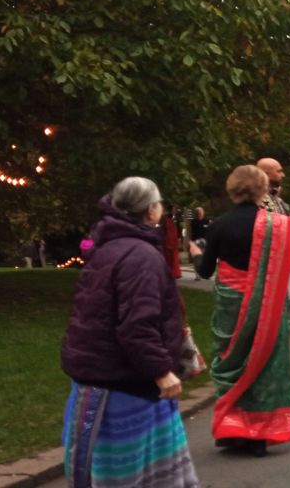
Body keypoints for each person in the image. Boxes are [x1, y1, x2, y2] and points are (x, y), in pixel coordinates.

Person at [60, 176, 199, 487]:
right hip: (125, 387)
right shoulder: (141, 256)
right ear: (150, 211)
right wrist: (161, 370)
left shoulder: (106, 248)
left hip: (99, 379)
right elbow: (137, 324)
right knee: (135, 475)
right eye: (160, 204)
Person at [190, 165, 290, 457]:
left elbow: (206, 269)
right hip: (270, 303)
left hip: (231, 304)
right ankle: (261, 434)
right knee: (265, 362)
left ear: (231, 189)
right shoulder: (280, 225)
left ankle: (232, 430)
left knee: (230, 359)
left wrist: (196, 253)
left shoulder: (220, 226)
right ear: (263, 190)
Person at [161, 201, 182, 279]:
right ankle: (168, 273)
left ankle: (175, 273)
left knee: (175, 258)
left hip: (174, 240)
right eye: (174, 209)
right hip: (167, 240)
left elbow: (179, 229)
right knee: (169, 258)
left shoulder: (176, 218)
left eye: (175, 209)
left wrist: (179, 239)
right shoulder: (165, 218)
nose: (175, 210)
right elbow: (163, 229)